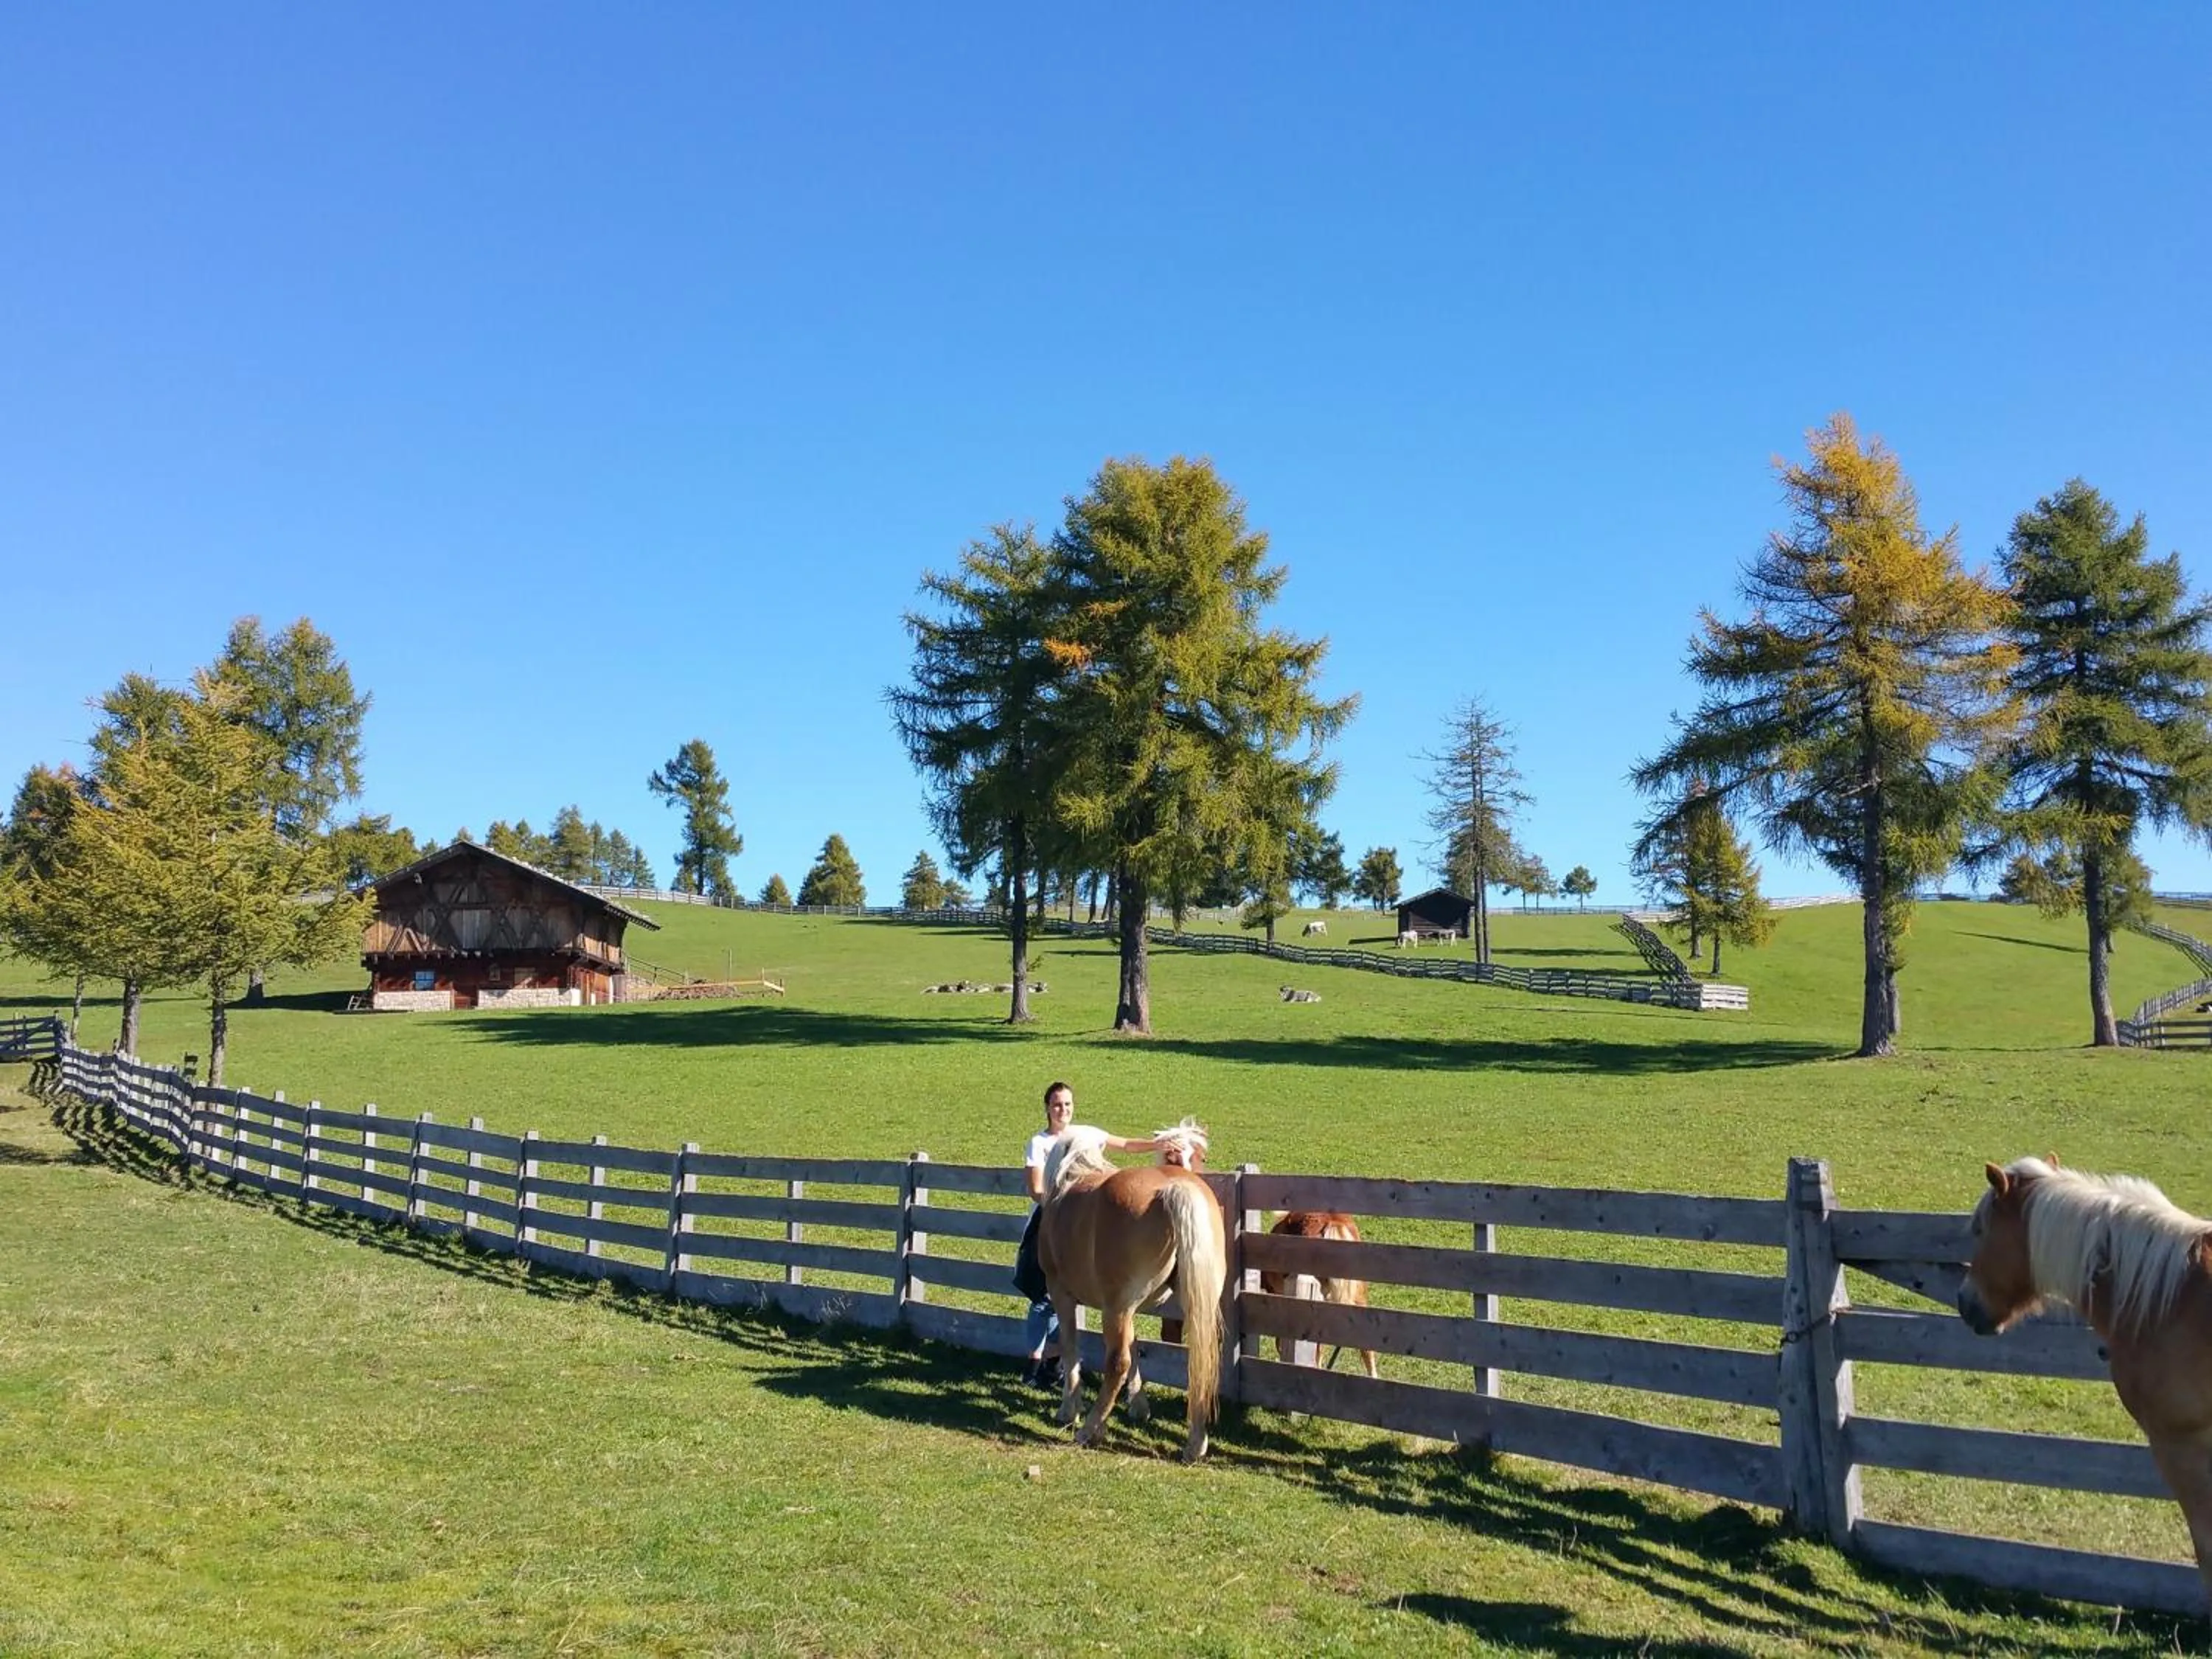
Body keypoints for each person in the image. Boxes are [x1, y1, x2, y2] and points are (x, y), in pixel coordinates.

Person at [1013, 1079, 1177, 1389]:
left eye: (1067, 1104)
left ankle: (1056, 1362)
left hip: (1081, 1221)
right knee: (1043, 1297)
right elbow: (1035, 1189)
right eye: (1057, 1105)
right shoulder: (1039, 1142)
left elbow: (1125, 1145)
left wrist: (1158, 1145)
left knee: (1070, 1294)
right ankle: (1034, 1363)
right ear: (1047, 1108)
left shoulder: (1086, 1134)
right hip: (1050, 1217)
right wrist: (1063, 1206)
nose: (1063, 1110)